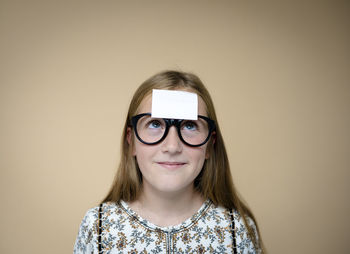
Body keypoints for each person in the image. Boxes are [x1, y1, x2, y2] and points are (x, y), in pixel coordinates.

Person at [74, 70, 265, 253]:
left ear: (210, 145)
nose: (172, 147)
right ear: (131, 141)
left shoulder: (236, 232)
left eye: (190, 125)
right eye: (155, 124)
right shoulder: (98, 227)